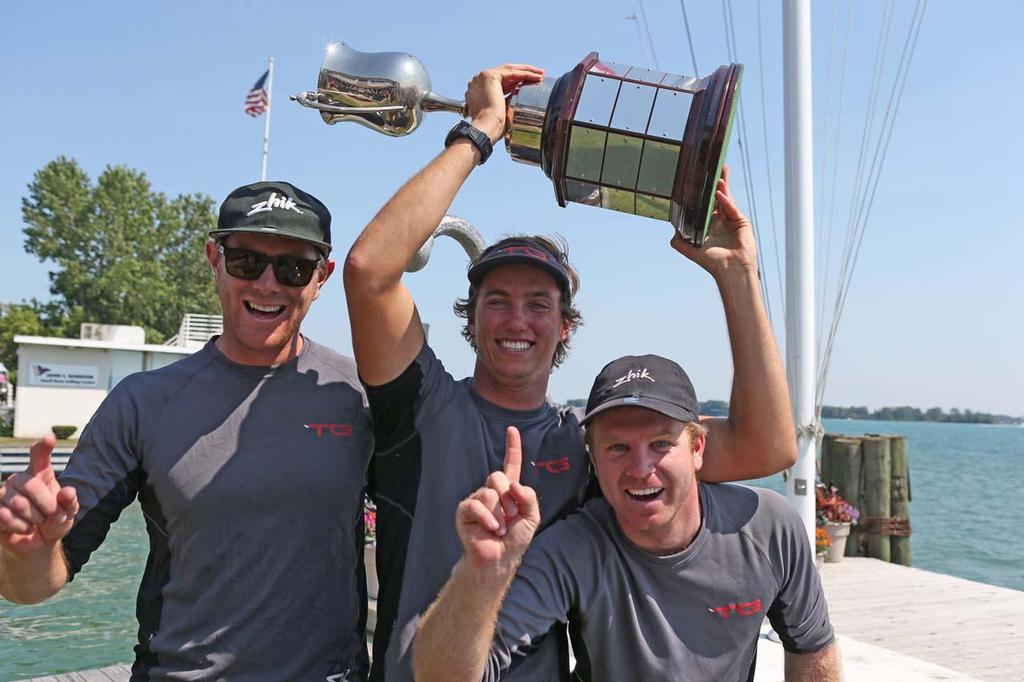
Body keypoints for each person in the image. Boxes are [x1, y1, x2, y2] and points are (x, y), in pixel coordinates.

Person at [344, 64, 797, 682]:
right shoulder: (421, 407)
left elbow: (767, 446)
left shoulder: (588, 442)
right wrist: (478, 132)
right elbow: (370, 270)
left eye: (539, 304)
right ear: (469, 321)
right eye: (497, 300)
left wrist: (738, 274)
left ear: (565, 329)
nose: (517, 319)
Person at [0, 181, 375, 681]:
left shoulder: (360, 396)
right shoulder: (142, 402)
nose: (268, 284)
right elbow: (33, 586)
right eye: (246, 261)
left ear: (322, 277)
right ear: (214, 259)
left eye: (293, 268)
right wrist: (24, 547)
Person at [414, 354, 840, 682]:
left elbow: (812, 648)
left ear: (697, 450)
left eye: (660, 443)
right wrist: (484, 569)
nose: (640, 468)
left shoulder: (768, 527)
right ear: (593, 460)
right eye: (617, 447)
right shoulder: (572, 549)